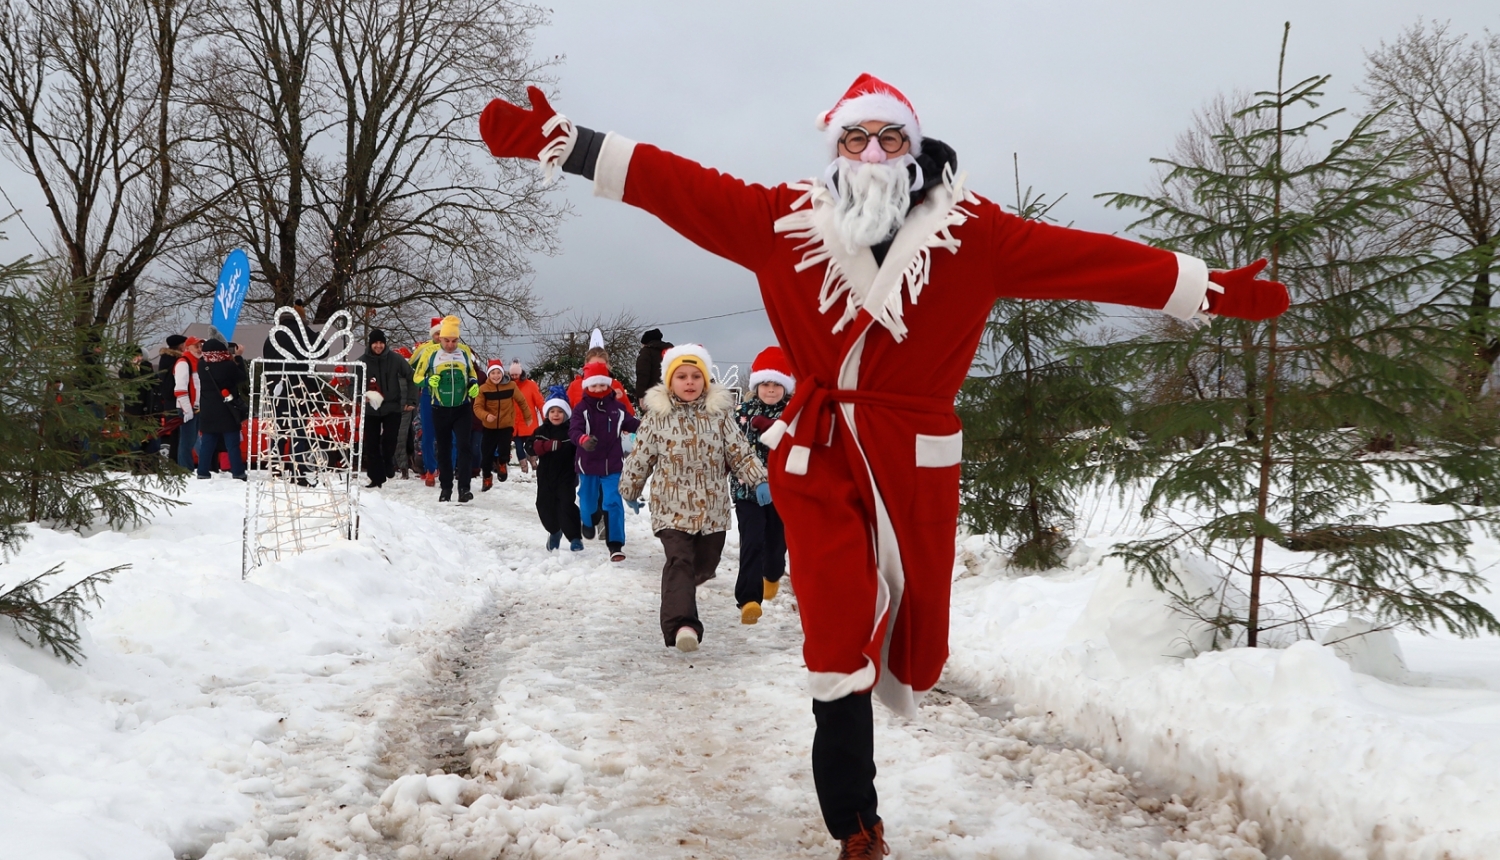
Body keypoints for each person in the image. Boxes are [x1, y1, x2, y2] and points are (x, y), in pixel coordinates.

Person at [481, 73, 1290, 855]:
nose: (872, 150)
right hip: (821, 453)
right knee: (836, 638)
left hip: (914, 459)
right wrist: (567, 143)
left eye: (889, 135)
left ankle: (874, 738)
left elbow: (1089, 258)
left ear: (914, 144)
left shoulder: (978, 234)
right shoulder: (780, 222)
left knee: (915, 644)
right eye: (855, 136)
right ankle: (856, 824)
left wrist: (1204, 288)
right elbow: (677, 185)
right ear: (836, 148)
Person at [621, 344, 768, 651]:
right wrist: (631, 488)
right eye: (682, 377)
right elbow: (641, 457)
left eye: (696, 376)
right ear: (669, 381)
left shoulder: (719, 415)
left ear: (706, 380)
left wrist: (759, 481)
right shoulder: (657, 417)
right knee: (680, 561)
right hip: (670, 508)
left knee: (704, 564)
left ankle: (682, 593)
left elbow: (739, 452)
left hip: (712, 510)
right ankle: (682, 625)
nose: (689, 382)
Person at [732, 346, 794, 625]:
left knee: (776, 546)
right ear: (756, 385)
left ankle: (772, 574)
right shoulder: (742, 413)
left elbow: (797, 441)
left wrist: (772, 425)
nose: (770, 390)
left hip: (784, 492)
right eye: (765, 384)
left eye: (777, 384)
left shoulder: (794, 413)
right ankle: (748, 599)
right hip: (747, 492)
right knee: (752, 542)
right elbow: (735, 449)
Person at [569, 358, 639, 559]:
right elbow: (574, 430)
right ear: (587, 385)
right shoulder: (581, 408)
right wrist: (582, 439)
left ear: (608, 384)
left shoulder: (616, 408)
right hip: (588, 464)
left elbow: (631, 423)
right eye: (594, 384)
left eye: (602, 384)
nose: (598, 388)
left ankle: (615, 545)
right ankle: (588, 521)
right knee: (588, 502)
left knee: (613, 502)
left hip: (612, 465)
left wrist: (648, 427)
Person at [413, 315, 481, 503]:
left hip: (462, 407)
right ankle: (446, 488)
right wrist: (427, 381)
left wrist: (474, 383)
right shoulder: (430, 353)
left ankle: (464, 489)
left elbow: (472, 373)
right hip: (440, 407)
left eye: (454, 340)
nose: (451, 345)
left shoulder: (465, 352)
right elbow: (416, 377)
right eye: (446, 340)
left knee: (463, 446)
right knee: (443, 448)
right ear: (440, 338)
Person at [359, 328, 416, 489]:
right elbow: (353, 384)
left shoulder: (395, 359)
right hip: (371, 408)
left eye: (381, 343)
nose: (378, 346)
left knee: (390, 440)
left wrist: (411, 400)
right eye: (375, 343)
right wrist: (361, 396)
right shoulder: (361, 361)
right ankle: (376, 477)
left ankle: (388, 463)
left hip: (392, 407)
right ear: (370, 344)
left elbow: (411, 376)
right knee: (372, 444)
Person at [530, 387, 583, 551]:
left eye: (560, 411)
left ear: (566, 413)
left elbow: (579, 449)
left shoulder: (571, 431)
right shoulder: (541, 431)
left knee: (566, 505)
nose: (556, 414)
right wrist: (542, 446)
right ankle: (554, 532)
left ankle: (575, 538)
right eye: (552, 411)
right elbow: (529, 447)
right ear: (547, 413)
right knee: (543, 506)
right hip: (545, 476)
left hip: (566, 476)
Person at [473, 359, 534, 491]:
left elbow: (522, 401)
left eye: (498, 372)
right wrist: (486, 416)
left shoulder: (511, 386)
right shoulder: (483, 389)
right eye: (493, 373)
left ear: (502, 373)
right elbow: (477, 407)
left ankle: (502, 463)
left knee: (504, 450)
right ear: (489, 375)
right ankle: (487, 477)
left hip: (506, 425)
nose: (496, 376)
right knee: (486, 455)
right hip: (489, 427)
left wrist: (528, 416)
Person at [194, 338, 248, 480]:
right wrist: (239, 357)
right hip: (227, 409)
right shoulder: (228, 365)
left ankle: (202, 471)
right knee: (232, 444)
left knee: (207, 443)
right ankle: (238, 472)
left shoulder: (201, 365)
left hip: (208, 410)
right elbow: (241, 378)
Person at [172, 336, 204, 471]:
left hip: (196, 407)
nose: (199, 349)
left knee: (191, 440)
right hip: (187, 407)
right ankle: (185, 468)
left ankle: (187, 468)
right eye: (196, 346)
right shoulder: (183, 363)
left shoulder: (199, 363)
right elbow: (180, 389)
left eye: (200, 346)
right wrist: (187, 409)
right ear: (187, 348)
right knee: (187, 441)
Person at [509, 358, 546, 474]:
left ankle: (533, 462)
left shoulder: (530, 385)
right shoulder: (508, 386)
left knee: (531, 446)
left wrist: (546, 419)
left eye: (516, 374)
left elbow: (540, 403)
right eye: (512, 374)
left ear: (521, 373)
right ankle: (524, 468)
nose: (515, 376)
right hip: (515, 424)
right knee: (519, 447)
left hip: (529, 423)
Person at [155, 334, 188, 463]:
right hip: (176, 400)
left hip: (170, 401)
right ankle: (177, 461)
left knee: (176, 433)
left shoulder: (165, 359)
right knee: (178, 434)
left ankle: (175, 460)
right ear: (180, 346)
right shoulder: (177, 361)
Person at [393, 345, 418, 478]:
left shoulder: (410, 376)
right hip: (395, 410)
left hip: (406, 410)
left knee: (405, 439)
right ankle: (402, 466)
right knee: (399, 439)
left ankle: (405, 466)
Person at [634, 328, 673, 407]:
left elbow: (642, 374)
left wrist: (641, 395)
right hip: (671, 393)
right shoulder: (671, 352)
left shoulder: (647, 352)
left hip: (653, 395)